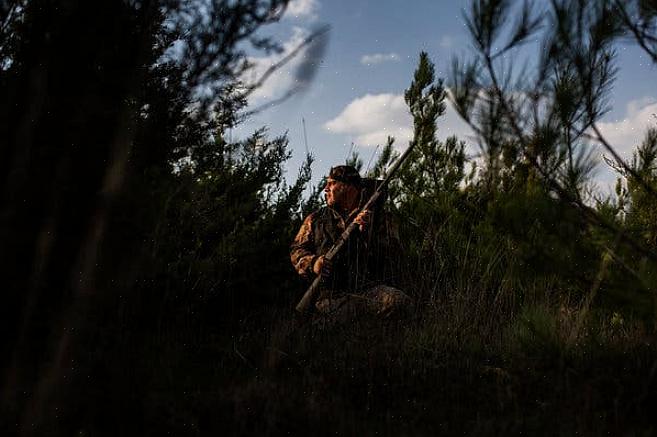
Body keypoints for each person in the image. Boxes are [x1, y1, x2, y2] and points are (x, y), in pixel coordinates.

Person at [290, 165, 410, 322]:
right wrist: (314, 262)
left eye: (331, 183)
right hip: (328, 299)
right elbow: (296, 250)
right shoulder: (315, 220)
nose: (325, 188)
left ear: (348, 186)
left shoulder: (380, 218)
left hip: (368, 293)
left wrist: (368, 233)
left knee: (398, 302)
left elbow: (396, 258)